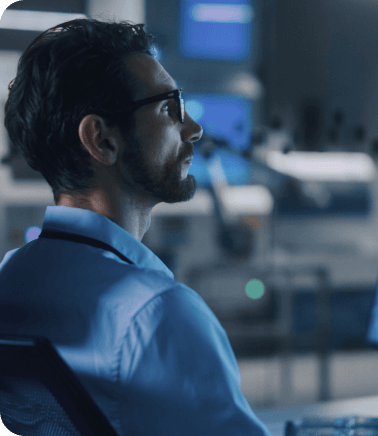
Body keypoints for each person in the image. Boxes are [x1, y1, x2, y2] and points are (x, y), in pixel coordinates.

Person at [0, 18, 273, 436]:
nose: (194, 129)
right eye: (170, 109)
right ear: (101, 140)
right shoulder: (156, 313)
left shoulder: (11, 278)